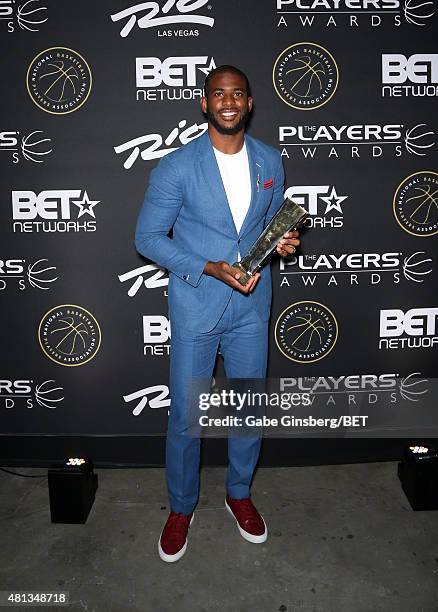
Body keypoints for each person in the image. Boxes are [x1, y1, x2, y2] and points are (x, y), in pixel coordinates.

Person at [135, 65, 300, 562]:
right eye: (218, 94)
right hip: (197, 306)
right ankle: (182, 507)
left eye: (238, 94)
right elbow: (146, 239)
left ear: (249, 103)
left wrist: (281, 242)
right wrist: (206, 267)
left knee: (248, 409)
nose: (228, 102)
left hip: (253, 307)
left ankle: (239, 494)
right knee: (187, 417)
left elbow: (263, 228)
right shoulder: (176, 167)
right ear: (204, 103)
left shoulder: (270, 160)